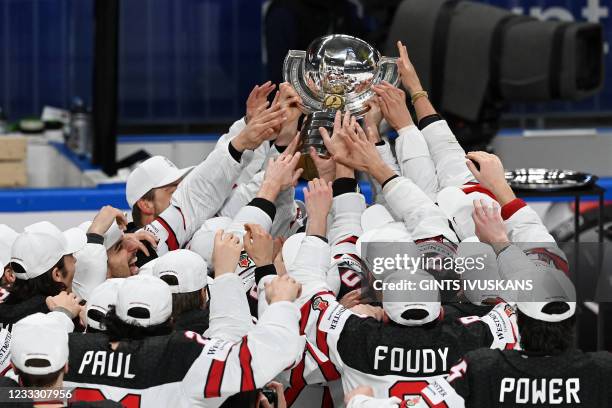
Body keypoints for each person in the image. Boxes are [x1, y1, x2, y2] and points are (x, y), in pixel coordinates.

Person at [23, 233, 306, 407]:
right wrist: (280, 303)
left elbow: (14, 392)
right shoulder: (182, 353)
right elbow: (262, 355)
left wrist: (60, 318)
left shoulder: (68, 346)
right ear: (171, 318)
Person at [0, 224, 85, 330]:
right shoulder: (79, 318)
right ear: (57, 274)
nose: (75, 260)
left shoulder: (7, 311)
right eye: (71, 255)